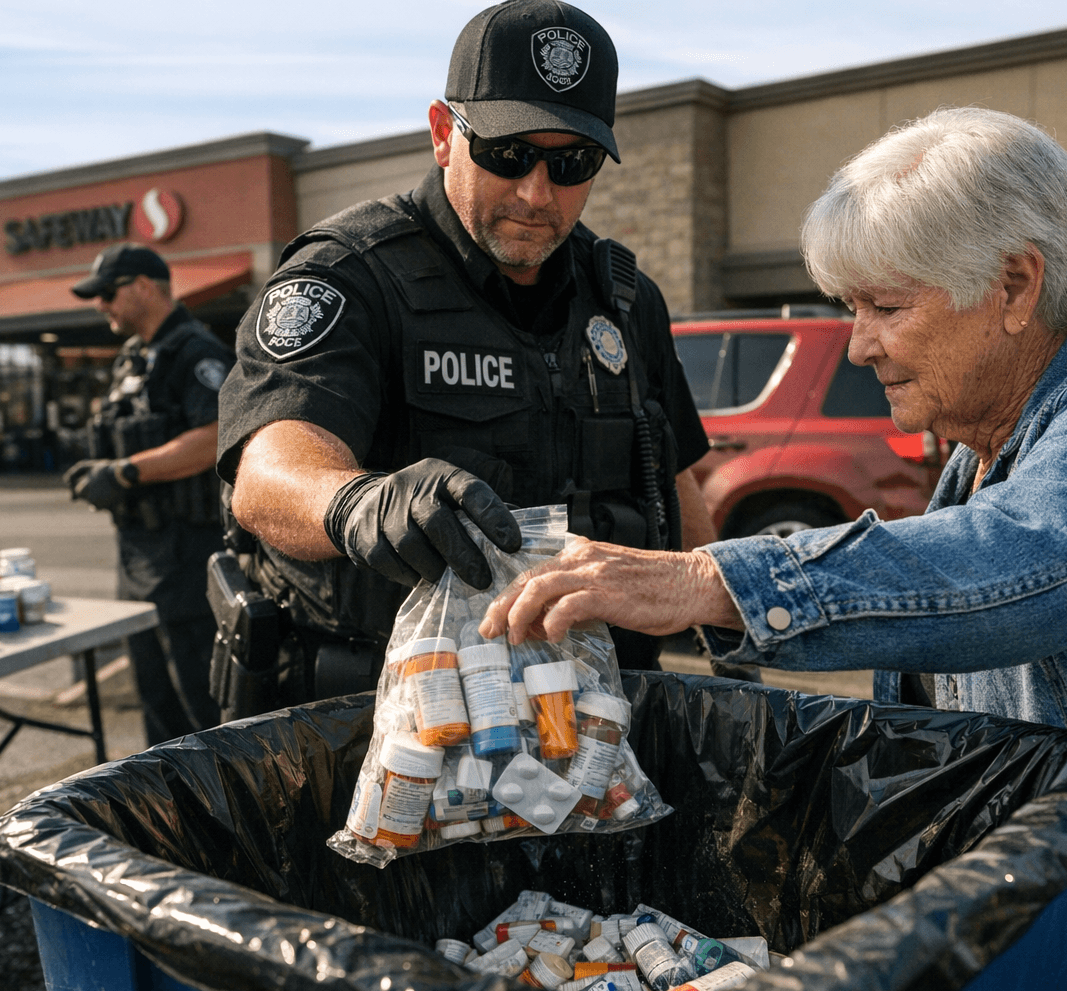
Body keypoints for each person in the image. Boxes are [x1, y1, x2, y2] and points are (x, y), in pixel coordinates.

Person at [482, 107, 1067, 991]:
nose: (859, 344)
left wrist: (708, 581)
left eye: (885, 307)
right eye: (852, 309)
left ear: (1015, 285)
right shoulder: (980, 453)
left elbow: (1026, 559)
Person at [213, 0, 713, 709]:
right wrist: (360, 503)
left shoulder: (625, 298)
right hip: (389, 714)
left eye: (571, 163)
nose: (536, 192)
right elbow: (267, 474)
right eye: (508, 154)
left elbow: (677, 478)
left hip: (593, 707)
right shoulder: (349, 275)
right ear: (445, 134)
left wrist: (720, 631)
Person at [65, 242, 234, 745]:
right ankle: (165, 795)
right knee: (156, 702)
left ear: (143, 287)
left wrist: (124, 474)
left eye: (108, 293)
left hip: (187, 556)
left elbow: (217, 435)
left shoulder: (196, 352)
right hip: (139, 557)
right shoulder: (134, 359)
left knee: (201, 707)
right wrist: (102, 468)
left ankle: (218, 796)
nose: (101, 305)